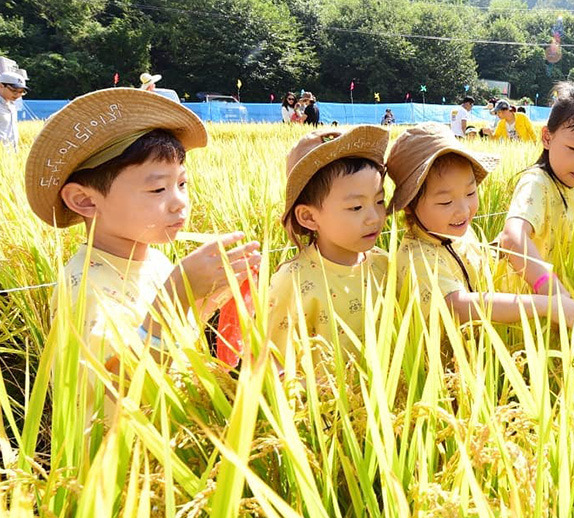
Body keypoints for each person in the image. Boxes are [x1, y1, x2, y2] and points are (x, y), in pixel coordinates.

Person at [24, 88, 261, 420]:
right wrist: (178, 292)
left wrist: (209, 296)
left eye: (182, 184)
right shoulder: (85, 289)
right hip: (121, 463)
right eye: (157, 189)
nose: (179, 202)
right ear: (85, 201)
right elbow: (117, 388)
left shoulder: (155, 261)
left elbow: (176, 337)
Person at [386, 123, 574, 337]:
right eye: (446, 202)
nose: (464, 210)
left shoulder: (462, 234)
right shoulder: (416, 258)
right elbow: (458, 305)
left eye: (470, 193)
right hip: (441, 364)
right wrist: (542, 304)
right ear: (409, 206)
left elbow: (484, 264)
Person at [267, 125, 390, 362]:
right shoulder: (292, 281)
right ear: (309, 217)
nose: (374, 217)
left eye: (380, 201)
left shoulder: (385, 266)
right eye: (356, 207)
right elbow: (277, 366)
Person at [498, 82, 574, 300]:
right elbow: (512, 237)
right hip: (527, 306)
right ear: (547, 138)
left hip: (560, 304)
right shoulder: (537, 183)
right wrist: (554, 294)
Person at [0, 71, 27, 150]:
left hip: (10, 154)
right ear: (1, 86)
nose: (18, 95)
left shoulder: (12, 106)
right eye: (14, 91)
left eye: (21, 92)